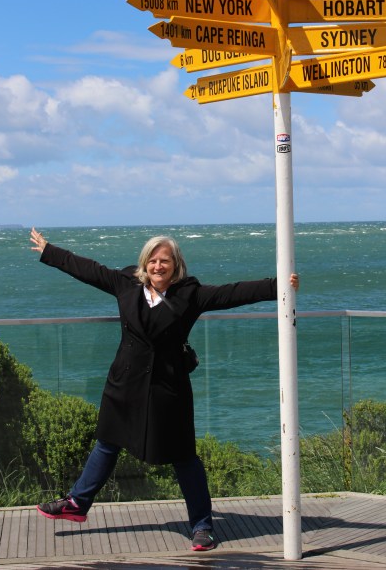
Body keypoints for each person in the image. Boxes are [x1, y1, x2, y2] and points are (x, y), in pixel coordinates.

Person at [30, 227, 299, 552]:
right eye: (153, 260)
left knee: (184, 457)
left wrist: (278, 285)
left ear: (175, 265)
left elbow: (233, 293)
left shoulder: (190, 294)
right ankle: (77, 503)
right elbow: (89, 270)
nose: (158, 266)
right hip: (124, 384)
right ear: (145, 263)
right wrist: (50, 251)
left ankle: (202, 526)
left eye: (165, 261)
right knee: (108, 442)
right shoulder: (126, 284)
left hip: (168, 388)